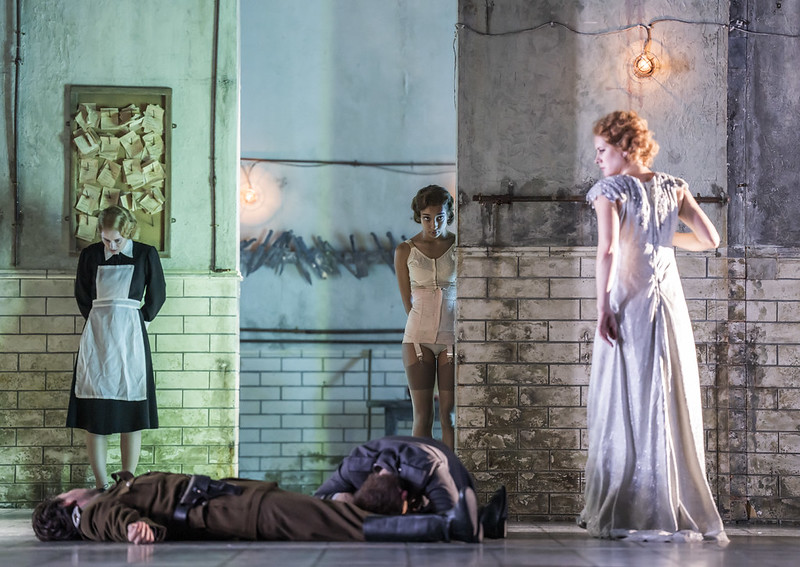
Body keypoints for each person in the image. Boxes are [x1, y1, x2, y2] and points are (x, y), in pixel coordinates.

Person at [578, 110, 727, 542]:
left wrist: (602, 306)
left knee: (629, 392)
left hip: (629, 300)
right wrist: (660, 237)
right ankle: (668, 500)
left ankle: (630, 504)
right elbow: (710, 240)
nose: (598, 160)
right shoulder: (673, 187)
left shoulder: (610, 190)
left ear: (625, 149)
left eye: (602, 151)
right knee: (665, 390)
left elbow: (606, 252)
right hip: (667, 304)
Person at [31, 470, 482, 544]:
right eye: (72, 493)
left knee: (337, 513)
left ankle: (477, 521)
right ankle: (448, 528)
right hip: (241, 514)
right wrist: (131, 529)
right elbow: (110, 521)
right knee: (340, 522)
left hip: (241, 503)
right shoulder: (89, 514)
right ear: (67, 504)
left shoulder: (107, 496)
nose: (79, 491)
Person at [66, 205, 166, 490]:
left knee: (131, 414)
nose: (111, 245)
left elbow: (157, 295)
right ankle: (100, 485)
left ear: (129, 232)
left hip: (132, 337)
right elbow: (82, 295)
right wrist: (100, 324)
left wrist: (136, 322)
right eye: (106, 239)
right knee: (95, 415)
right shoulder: (90, 255)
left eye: (117, 240)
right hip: (97, 337)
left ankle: (126, 484)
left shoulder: (146, 254)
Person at [314, 435, 507, 539]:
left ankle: (487, 519)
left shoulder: (426, 469)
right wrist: (340, 498)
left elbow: (450, 515)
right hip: (400, 457)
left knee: (455, 523)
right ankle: (490, 519)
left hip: (442, 462)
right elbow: (318, 499)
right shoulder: (354, 466)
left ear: (404, 494)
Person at [394, 185, 457, 449]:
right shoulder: (404, 250)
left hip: (452, 337)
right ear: (419, 217)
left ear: (448, 215)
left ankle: (452, 479)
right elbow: (406, 301)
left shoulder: (459, 246)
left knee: (449, 416)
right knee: (422, 416)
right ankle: (422, 480)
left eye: (440, 217)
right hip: (417, 337)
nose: (433, 224)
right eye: (427, 218)